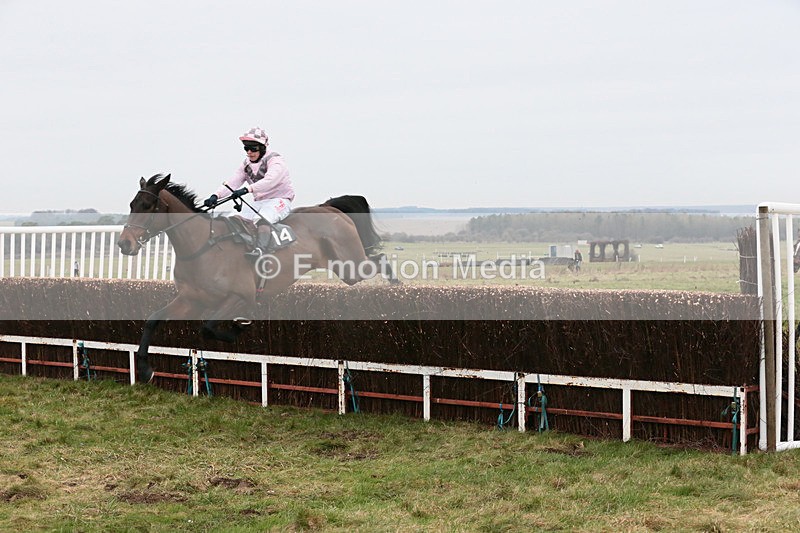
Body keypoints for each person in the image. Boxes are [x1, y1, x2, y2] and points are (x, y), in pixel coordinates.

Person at [203, 127, 295, 259]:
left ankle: (260, 251)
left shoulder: (275, 160)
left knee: (262, 220)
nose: (249, 152)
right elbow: (233, 181)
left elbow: (270, 181)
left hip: (280, 200)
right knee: (232, 219)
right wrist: (215, 196)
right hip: (259, 202)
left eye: (253, 149)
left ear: (262, 148)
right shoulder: (246, 163)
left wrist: (247, 189)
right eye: (246, 149)